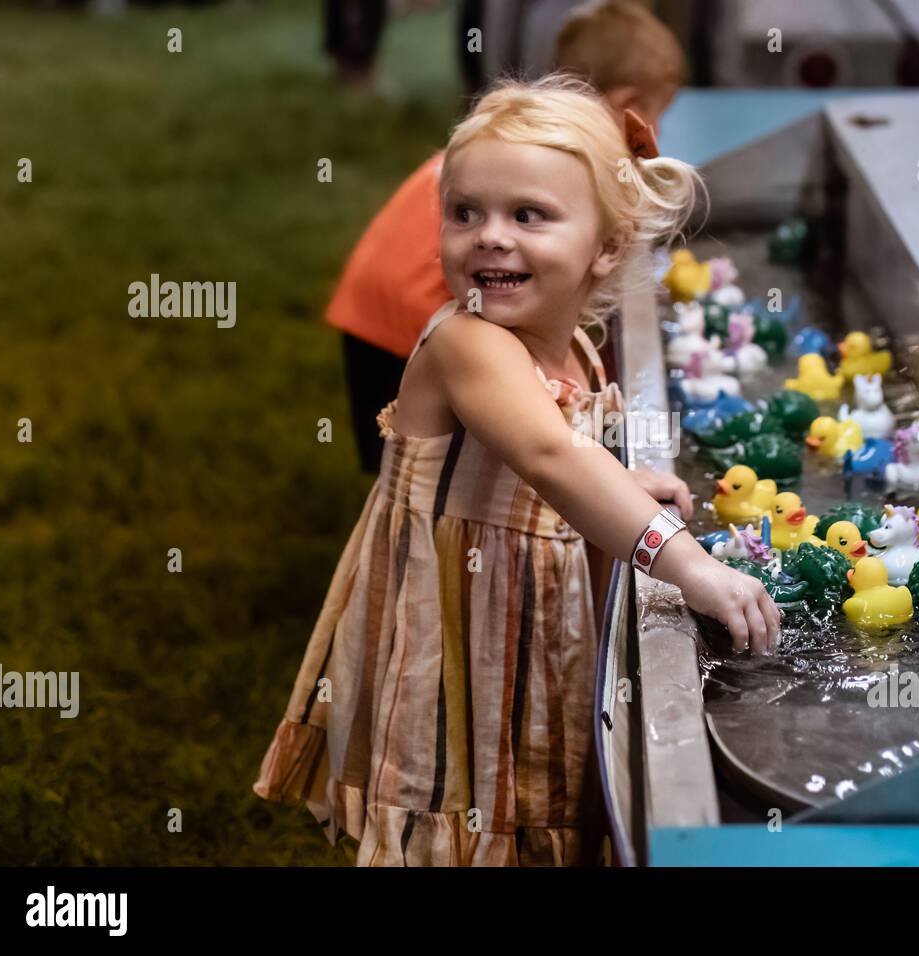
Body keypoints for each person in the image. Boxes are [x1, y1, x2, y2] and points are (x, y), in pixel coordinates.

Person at [253, 75, 780, 867]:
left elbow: (547, 463)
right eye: (464, 213)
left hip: (524, 617)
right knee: (465, 792)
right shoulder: (469, 344)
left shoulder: (565, 346)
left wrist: (616, 484)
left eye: (526, 215)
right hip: (458, 632)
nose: (489, 237)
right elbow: (548, 454)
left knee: (531, 785)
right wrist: (691, 565)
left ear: (605, 245)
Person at [327, 0, 686, 474]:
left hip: (385, 293)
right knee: (416, 463)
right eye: (657, 115)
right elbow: (545, 454)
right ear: (627, 104)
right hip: (395, 314)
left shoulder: (532, 149)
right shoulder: (545, 168)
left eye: (526, 216)